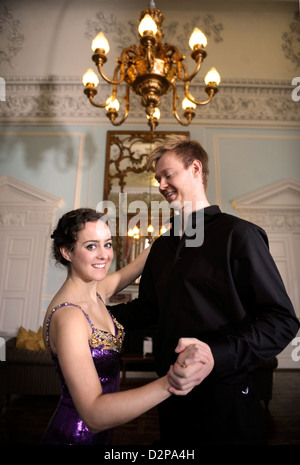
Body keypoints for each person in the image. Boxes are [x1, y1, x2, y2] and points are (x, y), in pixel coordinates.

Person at [109, 135, 300, 445]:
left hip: (228, 403)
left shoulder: (240, 235)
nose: (160, 184)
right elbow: (148, 310)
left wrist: (216, 355)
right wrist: (92, 316)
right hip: (170, 395)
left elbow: (281, 321)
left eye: (167, 174)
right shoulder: (160, 247)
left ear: (195, 168)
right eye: (157, 178)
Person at [42, 208, 198, 445]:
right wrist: (171, 382)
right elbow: (93, 414)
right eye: (91, 246)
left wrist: (174, 232)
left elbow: (134, 267)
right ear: (67, 252)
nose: (104, 255)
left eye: (108, 244)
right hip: (73, 438)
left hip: (102, 438)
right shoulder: (70, 317)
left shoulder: (96, 293)